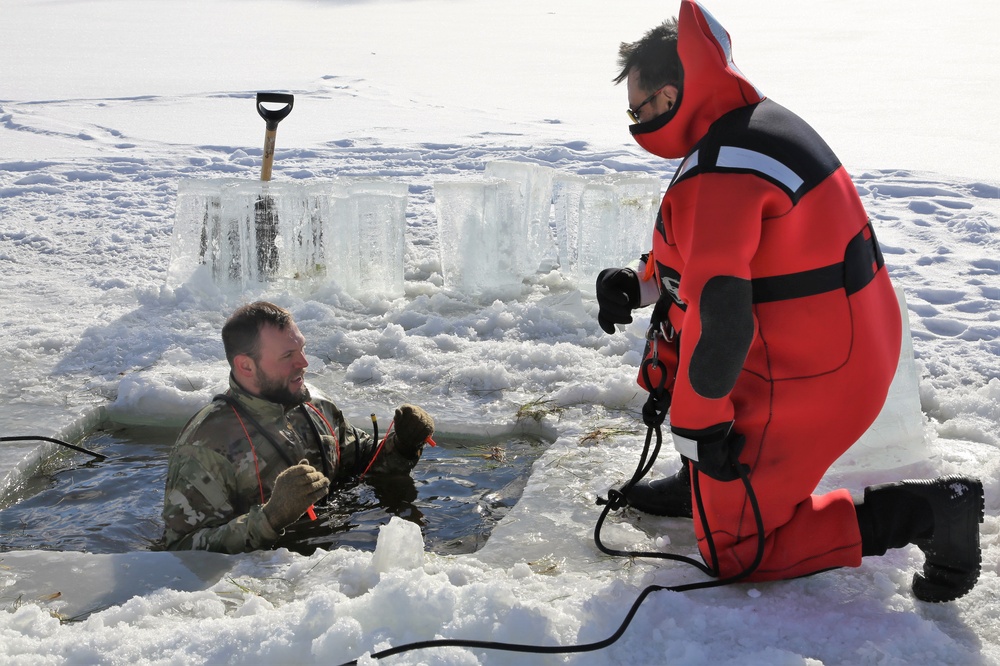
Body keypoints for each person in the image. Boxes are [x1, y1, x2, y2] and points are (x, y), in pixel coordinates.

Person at [596, 0, 982, 602]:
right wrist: (638, 282)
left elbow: (721, 318)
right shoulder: (744, 127)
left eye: (638, 108)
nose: (635, 122)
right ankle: (706, 486)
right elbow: (699, 259)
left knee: (738, 551)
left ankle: (932, 514)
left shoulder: (723, 167)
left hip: (812, 369)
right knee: (700, 395)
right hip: (833, 338)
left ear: (671, 97)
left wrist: (698, 431)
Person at [162, 301, 435, 554]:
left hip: (335, 557)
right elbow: (181, 549)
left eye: (302, 348)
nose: (304, 362)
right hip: (268, 588)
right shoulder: (204, 444)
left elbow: (363, 461)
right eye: (287, 355)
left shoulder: (314, 404)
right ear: (246, 365)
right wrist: (271, 517)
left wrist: (403, 444)